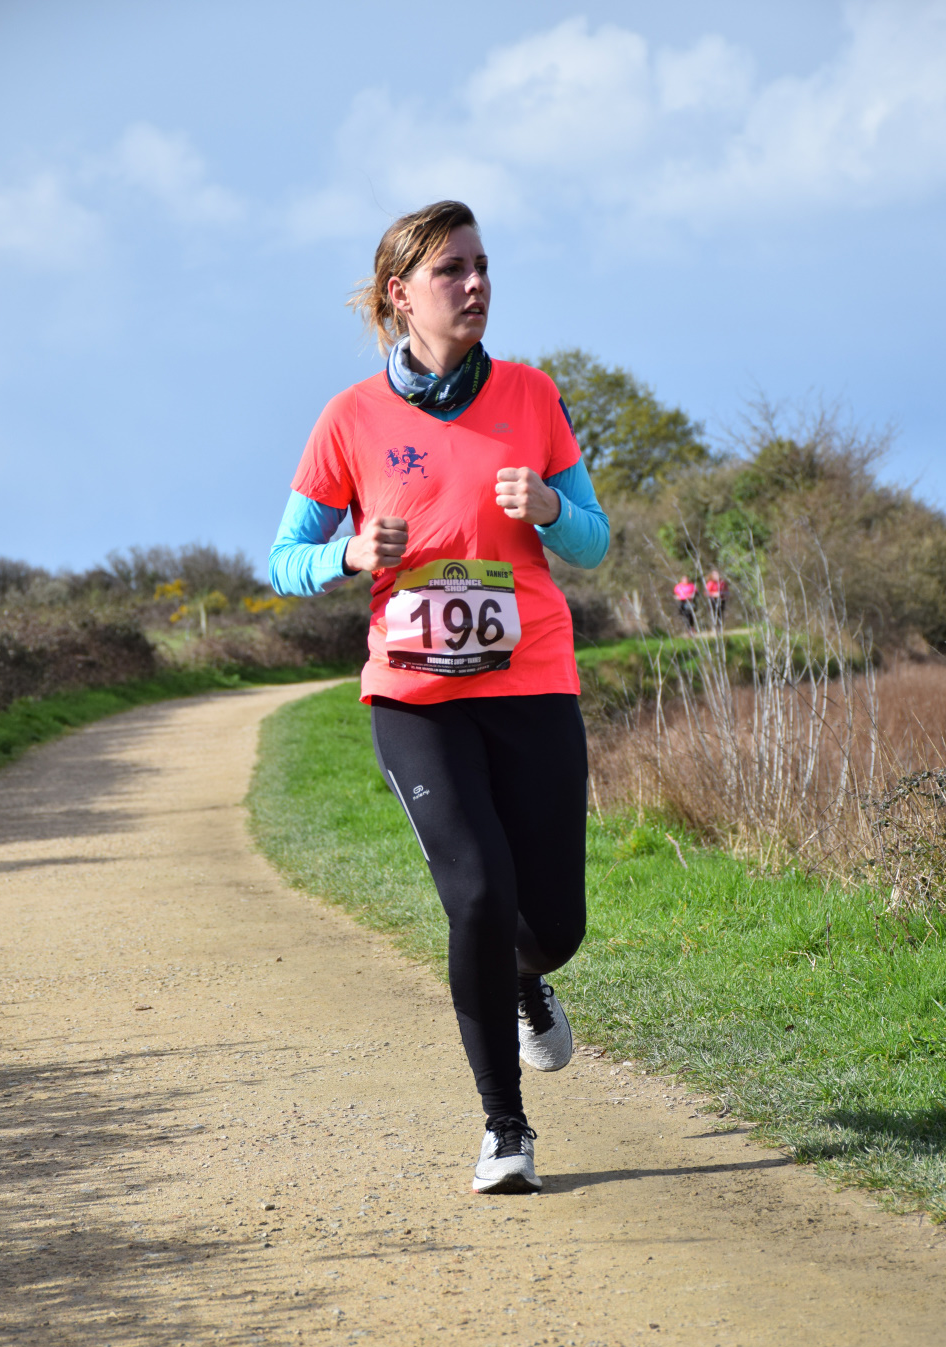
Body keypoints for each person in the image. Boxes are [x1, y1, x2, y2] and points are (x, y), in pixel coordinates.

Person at [269, 200, 609, 1194]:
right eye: (451, 270)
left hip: (532, 681)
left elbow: (593, 540)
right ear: (399, 295)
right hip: (414, 697)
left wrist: (550, 507)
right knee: (477, 895)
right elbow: (283, 559)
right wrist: (343, 555)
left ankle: (526, 979)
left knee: (552, 926)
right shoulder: (349, 419)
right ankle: (505, 1129)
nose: (475, 284)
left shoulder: (531, 397)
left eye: (482, 265)